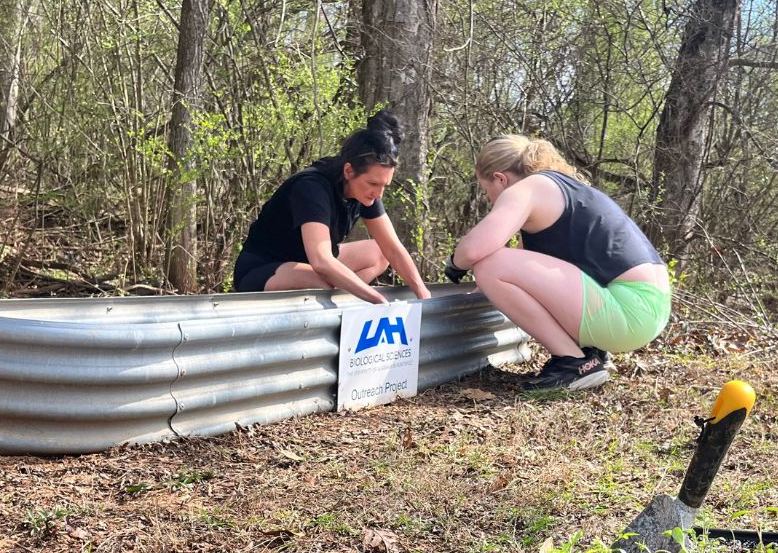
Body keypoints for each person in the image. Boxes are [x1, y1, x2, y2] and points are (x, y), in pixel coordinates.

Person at [443, 135, 671, 391]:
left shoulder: (528, 188)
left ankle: (573, 363)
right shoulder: (561, 189)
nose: (490, 199)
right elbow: (530, 273)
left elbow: (474, 250)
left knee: (488, 264)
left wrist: (455, 263)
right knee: (496, 267)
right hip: (649, 307)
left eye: (487, 190)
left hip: (628, 309)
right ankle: (591, 353)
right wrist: (490, 287)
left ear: (500, 178)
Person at [232, 110, 432, 304]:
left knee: (378, 253)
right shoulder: (311, 187)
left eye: (383, 186)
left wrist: (424, 297)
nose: (378, 194)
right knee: (326, 280)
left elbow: (393, 250)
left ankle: (343, 306)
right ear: (348, 171)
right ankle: (347, 306)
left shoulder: (365, 192)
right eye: (373, 184)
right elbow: (322, 261)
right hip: (264, 269)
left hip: (308, 264)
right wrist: (376, 300)